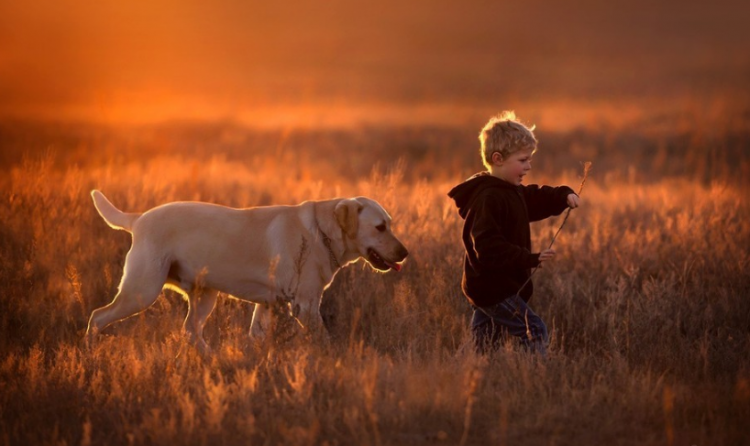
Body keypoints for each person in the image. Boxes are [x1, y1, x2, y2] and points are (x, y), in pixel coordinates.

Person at [447, 111, 580, 354]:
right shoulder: (488, 198)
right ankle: (536, 380)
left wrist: (563, 195)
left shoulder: (511, 190)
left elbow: (536, 198)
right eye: (522, 160)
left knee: (485, 344)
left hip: (494, 285)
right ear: (498, 159)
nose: (528, 166)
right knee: (535, 330)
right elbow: (488, 248)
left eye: (529, 160)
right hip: (492, 287)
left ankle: (473, 376)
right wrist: (529, 258)